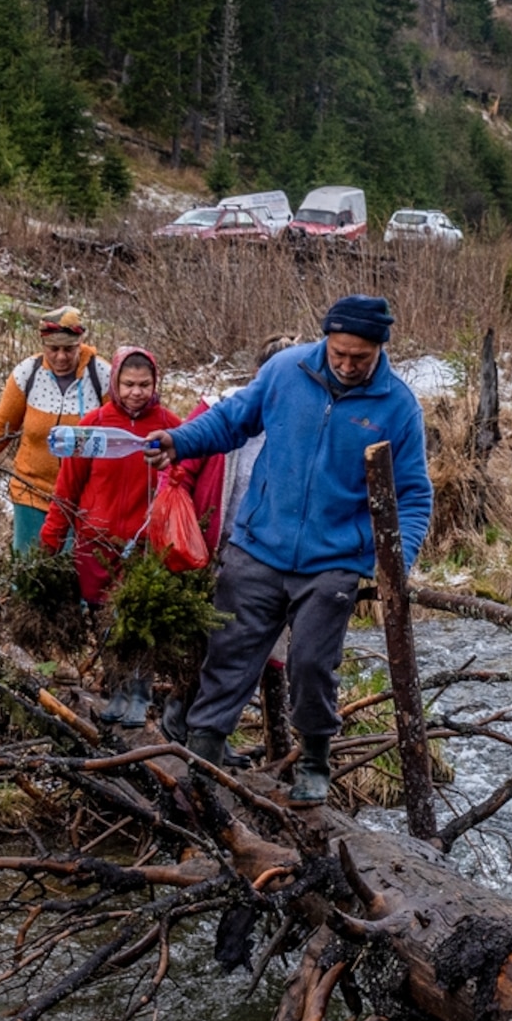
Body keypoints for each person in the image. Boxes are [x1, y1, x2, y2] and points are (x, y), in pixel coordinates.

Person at [149, 296, 432, 803]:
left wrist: (396, 563)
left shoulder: (397, 406)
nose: (346, 365)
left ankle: (316, 762)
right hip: (258, 546)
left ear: (380, 349)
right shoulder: (285, 370)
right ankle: (203, 755)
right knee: (228, 654)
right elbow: (232, 420)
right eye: (339, 352)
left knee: (311, 665)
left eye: (359, 357)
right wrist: (180, 441)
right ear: (326, 339)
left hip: (334, 562)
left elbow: (412, 494)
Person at [39, 345, 200, 726]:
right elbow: (68, 488)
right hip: (96, 543)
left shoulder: (170, 427)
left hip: (146, 546)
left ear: (155, 384)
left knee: (138, 619)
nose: (136, 392)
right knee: (103, 619)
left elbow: (187, 477)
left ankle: (141, 695)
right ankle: (116, 689)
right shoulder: (93, 426)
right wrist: (51, 539)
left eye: (144, 384)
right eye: (128, 384)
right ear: (115, 383)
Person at [0, 307, 108, 554]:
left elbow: (119, 433)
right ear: (42, 344)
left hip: (83, 498)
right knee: (28, 574)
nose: (61, 357)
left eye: (69, 349)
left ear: (81, 343)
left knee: (72, 576)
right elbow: (1, 426)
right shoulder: (28, 373)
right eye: (53, 349)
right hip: (30, 493)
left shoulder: (102, 376)